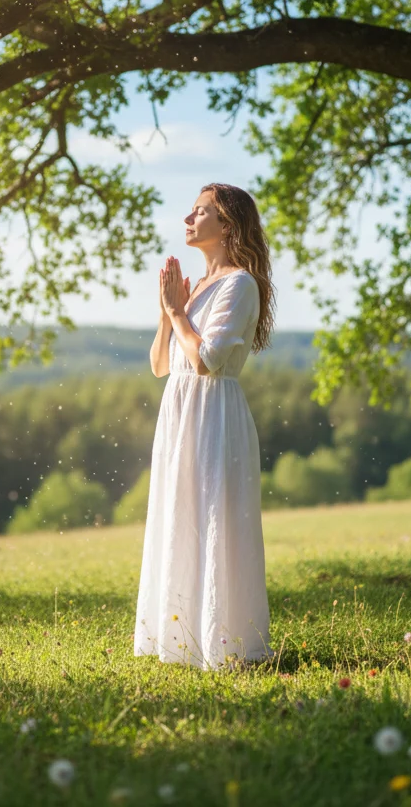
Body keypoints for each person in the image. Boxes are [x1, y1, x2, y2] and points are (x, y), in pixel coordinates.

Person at [133, 183, 277, 671]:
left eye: (200, 211)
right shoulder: (197, 289)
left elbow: (207, 361)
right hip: (179, 414)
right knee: (179, 517)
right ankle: (179, 641)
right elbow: (161, 365)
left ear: (228, 224)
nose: (188, 219)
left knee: (214, 521)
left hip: (214, 415)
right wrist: (167, 312)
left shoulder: (240, 285)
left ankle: (226, 645)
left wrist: (178, 312)